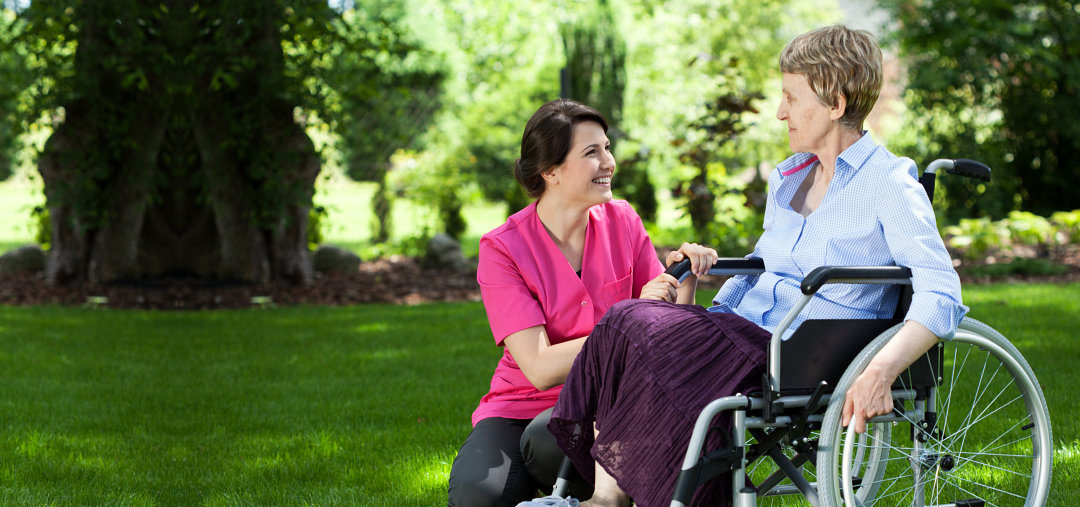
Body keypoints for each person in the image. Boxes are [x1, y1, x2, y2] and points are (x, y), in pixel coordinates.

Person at [536, 25, 968, 507]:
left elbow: (942, 293)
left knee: (626, 318)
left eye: (791, 97)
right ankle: (608, 497)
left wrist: (881, 371)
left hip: (802, 352)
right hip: (743, 334)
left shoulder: (889, 182)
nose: (781, 112)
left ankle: (608, 501)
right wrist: (692, 309)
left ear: (836, 105)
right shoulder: (790, 178)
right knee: (636, 322)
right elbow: (757, 273)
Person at [447, 99, 719, 507]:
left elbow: (663, 338)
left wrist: (685, 282)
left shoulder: (623, 220)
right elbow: (538, 368)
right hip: (520, 403)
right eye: (592, 152)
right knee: (476, 497)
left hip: (604, 404)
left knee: (547, 442)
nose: (609, 161)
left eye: (607, 147)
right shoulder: (503, 248)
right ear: (551, 171)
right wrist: (623, 323)